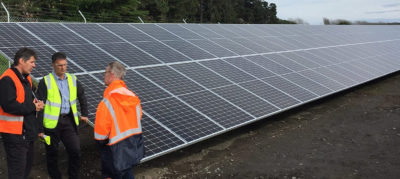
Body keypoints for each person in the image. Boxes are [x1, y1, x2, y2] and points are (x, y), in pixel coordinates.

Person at [36, 52, 88, 179]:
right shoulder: (45, 81)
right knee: (52, 153)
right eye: (60, 65)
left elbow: (82, 96)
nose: (63, 68)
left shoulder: (72, 79)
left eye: (65, 65)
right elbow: (39, 106)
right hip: (51, 124)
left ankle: (73, 175)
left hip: (69, 121)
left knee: (75, 150)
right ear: (53, 65)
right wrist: (39, 129)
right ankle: (55, 176)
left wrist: (85, 114)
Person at [94, 61, 144, 179]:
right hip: (131, 147)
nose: (103, 75)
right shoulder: (133, 98)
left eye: (105, 72)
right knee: (128, 173)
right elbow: (138, 117)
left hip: (113, 152)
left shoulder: (107, 102)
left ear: (111, 74)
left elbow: (100, 136)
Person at [0, 47, 44, 179]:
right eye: (31, 62)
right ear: (21, 61)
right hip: (14, 135)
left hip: (27, 133)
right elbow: (9, 106)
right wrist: (33, 107)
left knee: (26, 167)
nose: (34, 65)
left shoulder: (26, 78)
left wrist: (36, 102)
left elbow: (29, 99)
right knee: (17, 171)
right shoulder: (7, 79)